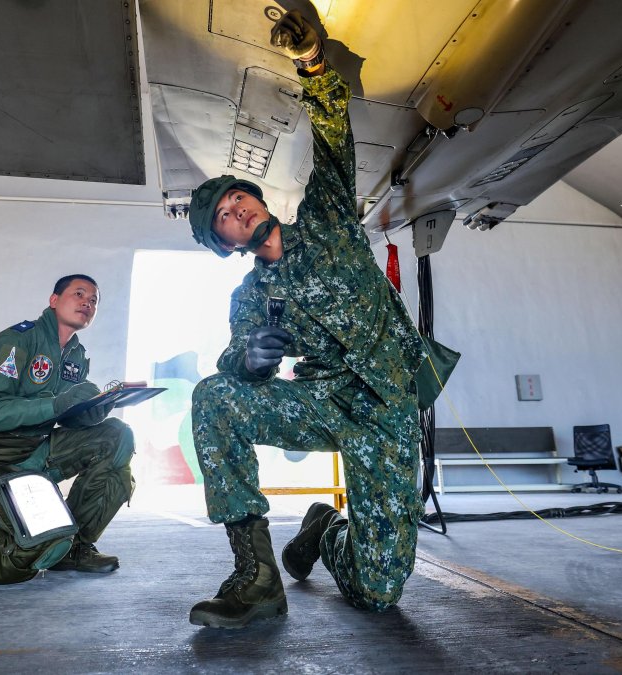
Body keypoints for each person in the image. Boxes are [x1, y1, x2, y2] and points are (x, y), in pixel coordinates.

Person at [185, 11, 425, 628]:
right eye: (223, 217)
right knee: (215, 397)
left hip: (388, 406)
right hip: (320, 401)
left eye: (236, 196)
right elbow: (235, 361)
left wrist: (313, 64)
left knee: (378, 593)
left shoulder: (326, 218)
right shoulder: (250, 294)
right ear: (227, 243)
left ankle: (324, 532)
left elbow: (332, 137)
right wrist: (251, 360)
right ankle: (255, 574)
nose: (234, 208)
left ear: (257, 198)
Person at [0, 274, 136, 585]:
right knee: (40, 548)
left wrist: (93, 411)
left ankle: (75, 547)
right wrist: (57, 403)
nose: (87, 303)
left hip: (38, 452)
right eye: (79, 294)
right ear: (54, 301)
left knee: (116, 436)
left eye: (94, 300)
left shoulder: (76, 356)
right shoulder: (15, 341)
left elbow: (65, 416)